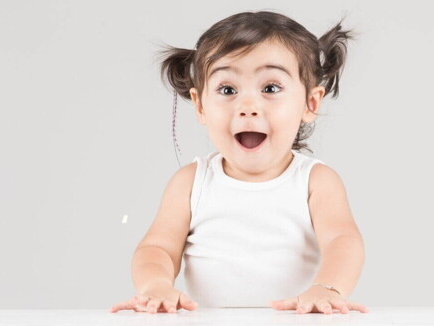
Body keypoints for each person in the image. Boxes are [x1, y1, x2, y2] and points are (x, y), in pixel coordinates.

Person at [110, 10, 368, 315]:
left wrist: (326, 288)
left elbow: (343, 241)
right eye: (227, 89)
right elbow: (158, 249)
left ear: (310, 103)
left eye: (270, 88)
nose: (247, 106)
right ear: (200, 104)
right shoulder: (192, 182)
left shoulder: (315, 181)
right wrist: (155, 286)